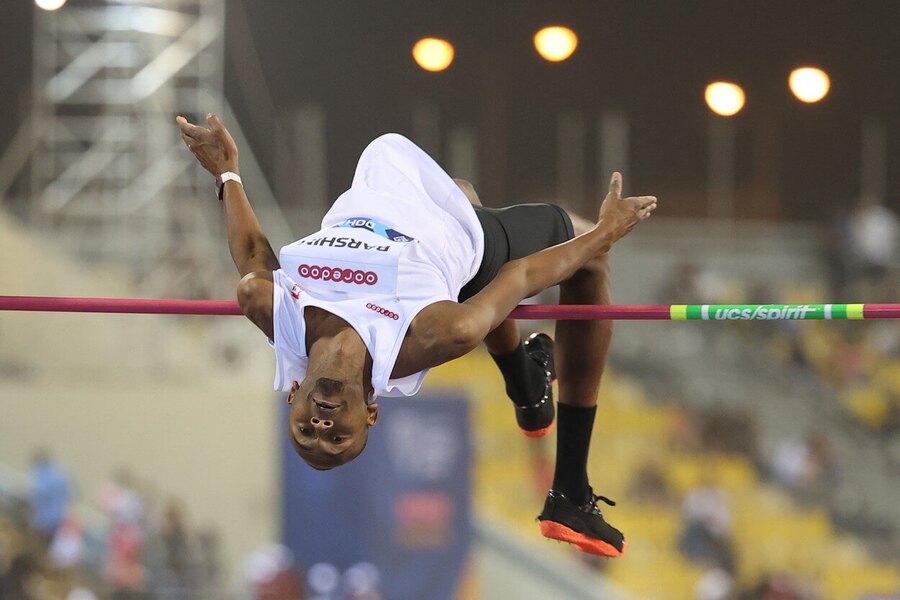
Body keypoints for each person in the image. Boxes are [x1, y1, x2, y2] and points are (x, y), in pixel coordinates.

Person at [176, 114, 657, 557]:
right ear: (370, 410)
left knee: (462, 187)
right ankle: (570, 490)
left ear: (294, 396)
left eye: (306, 433)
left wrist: (227, 174)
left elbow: (254, 254)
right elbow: (519, 276)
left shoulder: (272, 311)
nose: (322, 429)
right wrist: (604, 234)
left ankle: (527, 386)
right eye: (339, 437)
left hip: (385, 190)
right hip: (464, 241)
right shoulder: (427, 336)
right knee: (582, 255)